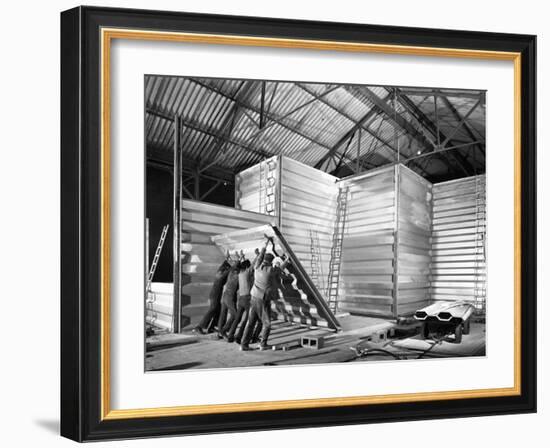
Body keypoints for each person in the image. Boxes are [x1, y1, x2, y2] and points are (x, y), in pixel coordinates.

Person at [240, 237, 290, 351]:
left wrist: (265, 244)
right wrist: (287, 260)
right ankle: (263, 344)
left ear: (263, 260)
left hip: (253, 298)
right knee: (267, 323)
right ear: (271, 261)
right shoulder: (271, 271)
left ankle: (244, 345)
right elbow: (281, 268)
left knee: (250, 322)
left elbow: (260, 255)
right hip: (262, 300)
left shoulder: (257, 266)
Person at [193, 257, 231, 334]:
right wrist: (237, 263)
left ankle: (212, 327)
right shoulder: (221, 275)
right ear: (226, 268)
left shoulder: (219, 272)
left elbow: (224, 266)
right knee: (212, 310)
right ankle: (199, 327)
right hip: (215, 295)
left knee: (218, 310)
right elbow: (229, 271)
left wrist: (227, 259)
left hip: (214, 295)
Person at [216, 252, 241, 339]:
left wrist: (239, 259)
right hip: (230, 297)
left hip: (224, 295)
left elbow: (234, 266)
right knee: (235, 315)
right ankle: (223, 331)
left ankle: (220, 332)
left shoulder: (230, 272)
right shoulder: (238, 276)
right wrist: (239, 259)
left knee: (223, 314)